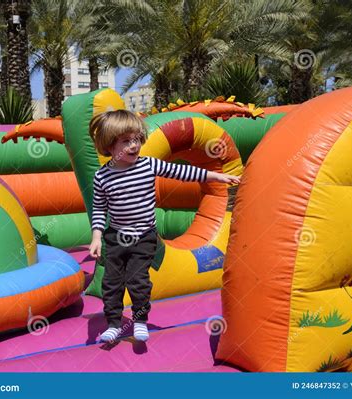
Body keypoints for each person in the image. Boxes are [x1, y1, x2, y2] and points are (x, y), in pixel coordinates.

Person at [88, 110, 240, 343]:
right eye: (126, 141)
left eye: (137, 139)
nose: (134, 145)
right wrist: (97, 237)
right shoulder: (102, 177)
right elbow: (99, 209)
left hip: (144, 237)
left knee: (138, 280)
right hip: (116, 237)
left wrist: (215, 176)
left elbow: (184, 172)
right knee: (112, 282)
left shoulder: (148, 165)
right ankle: (114, 324)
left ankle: (139, 321)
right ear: (109, 145)